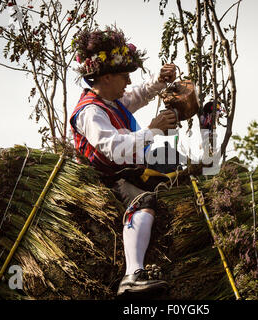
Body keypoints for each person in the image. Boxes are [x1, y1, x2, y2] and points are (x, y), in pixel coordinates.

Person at [70, 26, 178, 296]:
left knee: (175, 163)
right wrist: (152, 131)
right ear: (106, 77)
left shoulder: (112, 101)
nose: (128, 83)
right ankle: (132, 275)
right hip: (108, 181)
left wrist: (161, 80)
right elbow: (111, 148)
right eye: (123, 76)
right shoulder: (90, 111)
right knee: (143, 201)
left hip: (130, 172)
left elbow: (139, 94)